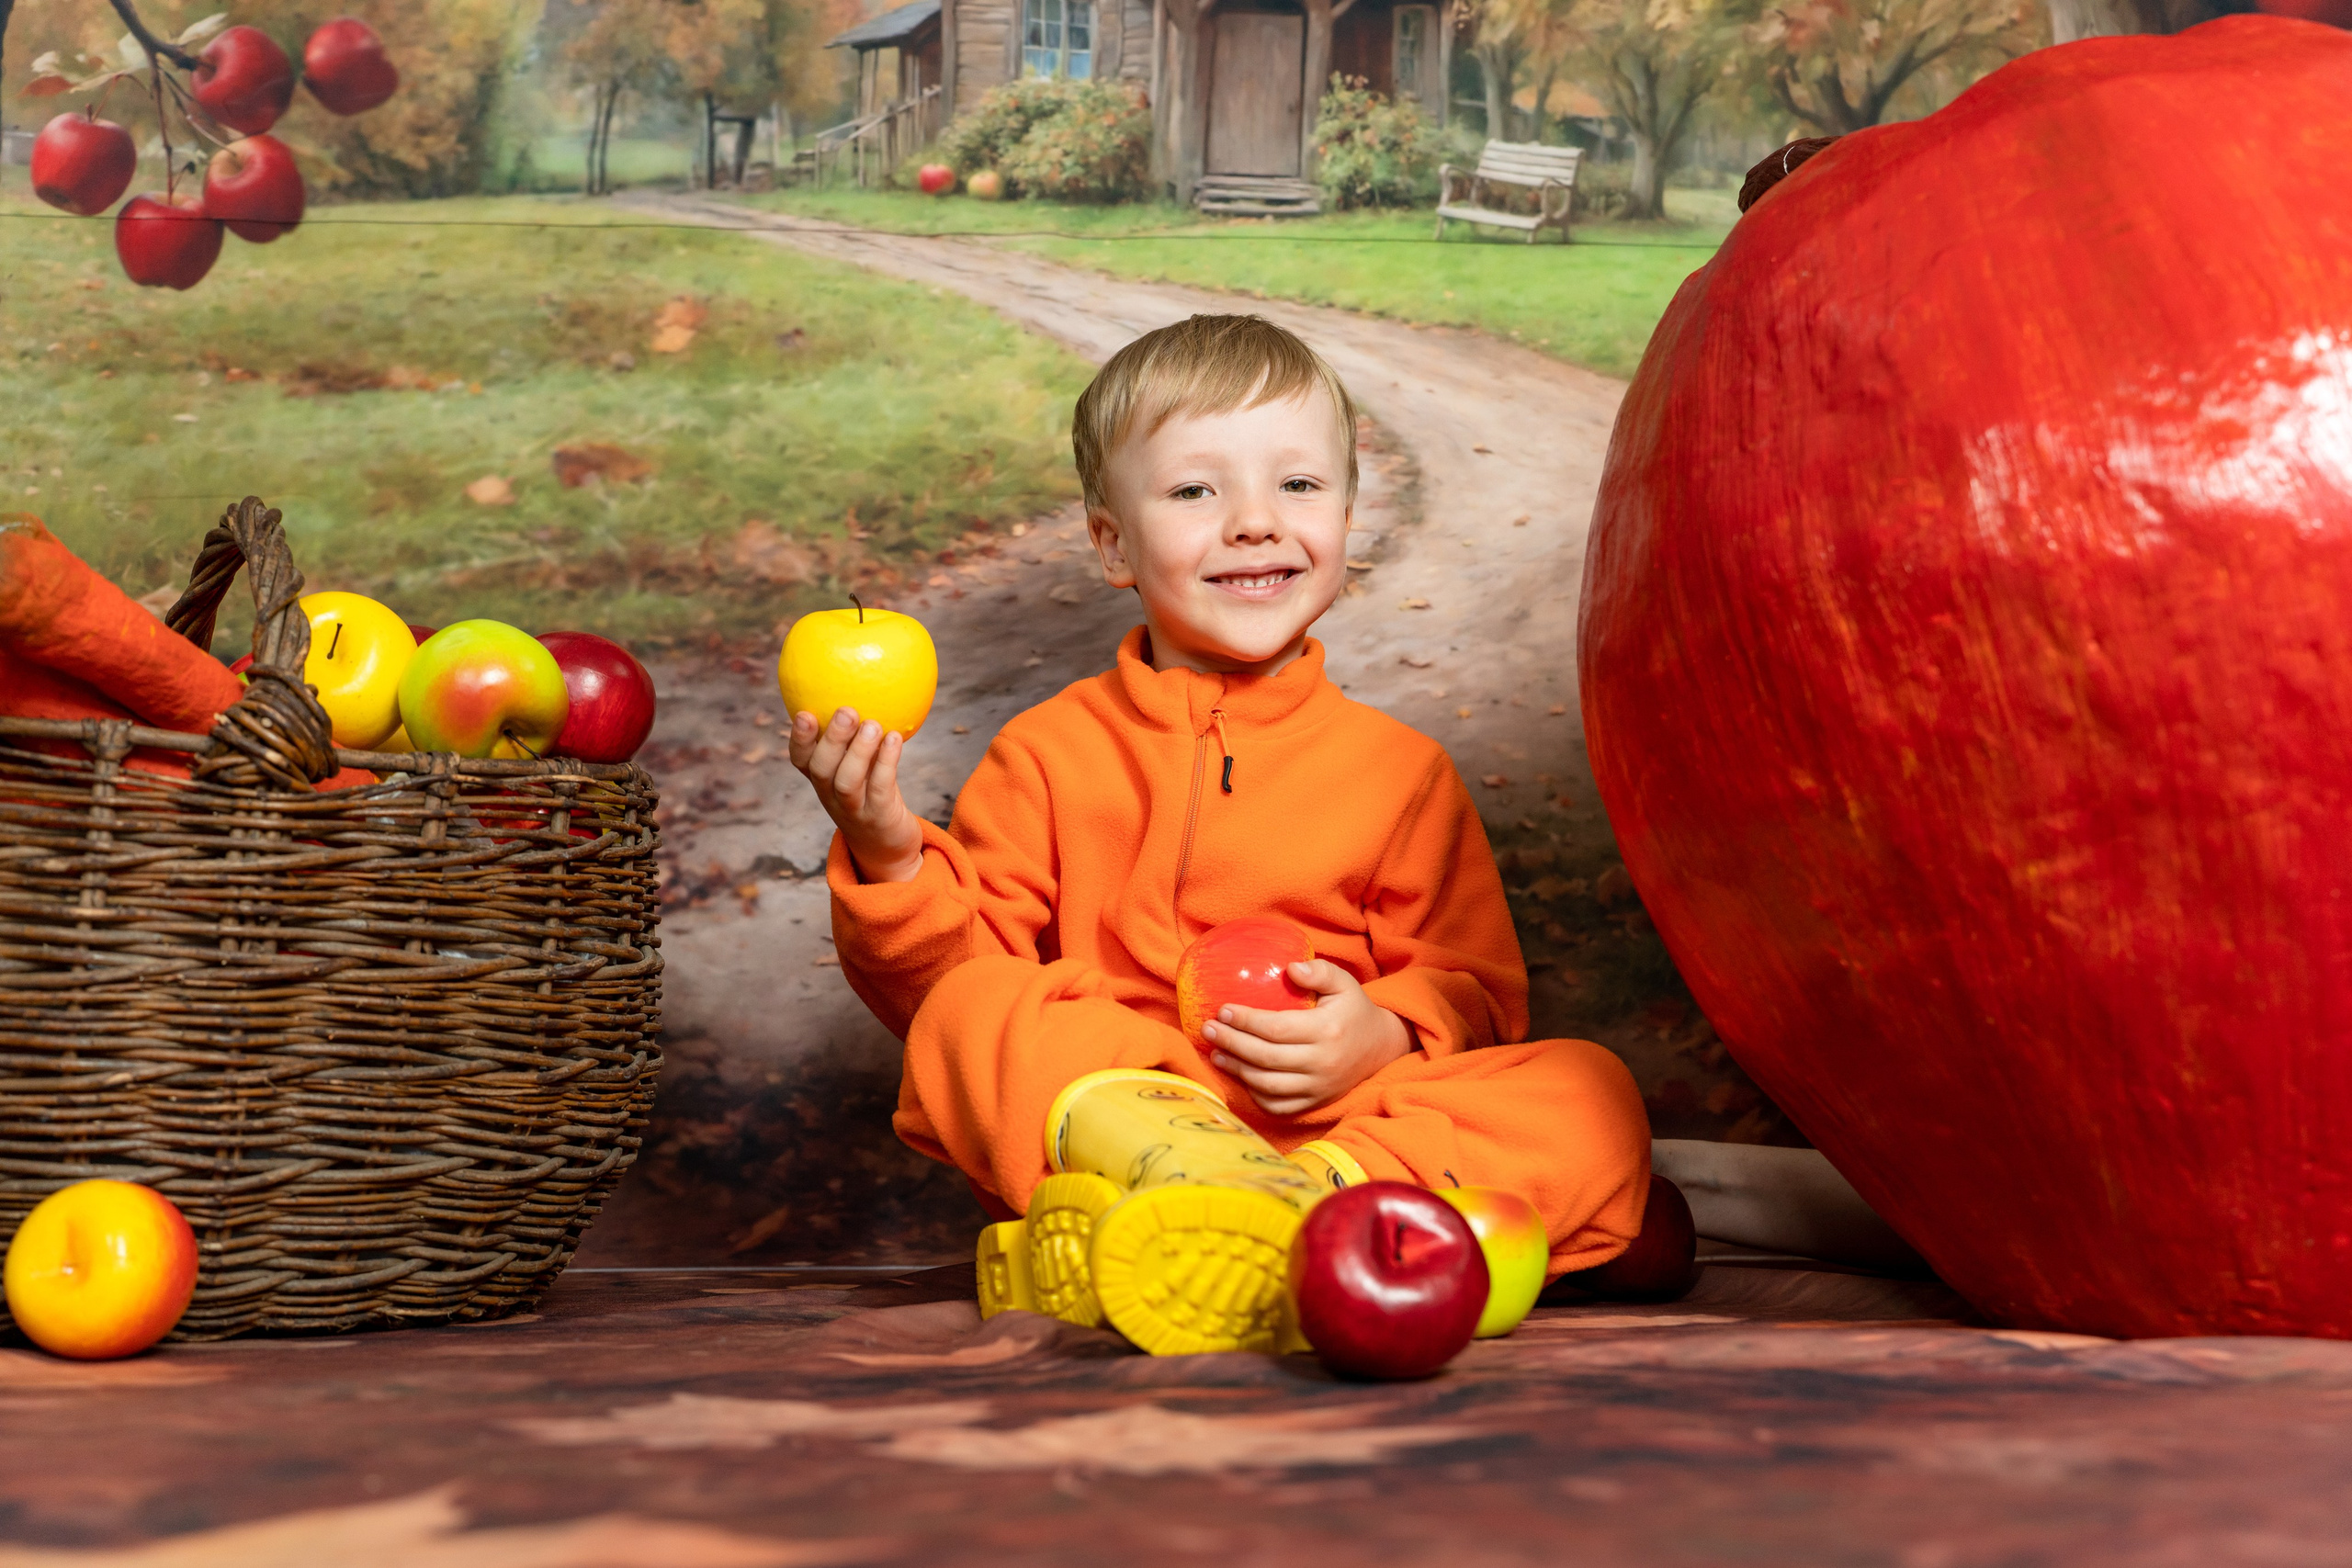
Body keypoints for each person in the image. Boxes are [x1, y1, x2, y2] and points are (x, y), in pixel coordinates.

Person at [788, 314, 1649, 1356]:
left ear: (1346, 519)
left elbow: (1476, 993)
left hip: (1348, 1130)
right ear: (1114, 543)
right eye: (1196, 491)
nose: (1254, 522)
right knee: (978, 1011)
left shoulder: (1402, 774)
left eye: (1298, 484)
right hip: (1120, 1129)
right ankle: (1198, 1195)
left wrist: (1380, 1032)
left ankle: (1297, 1210)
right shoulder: (1047, 754)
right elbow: (953, 991)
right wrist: (888, 852)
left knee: (1589, 1093)